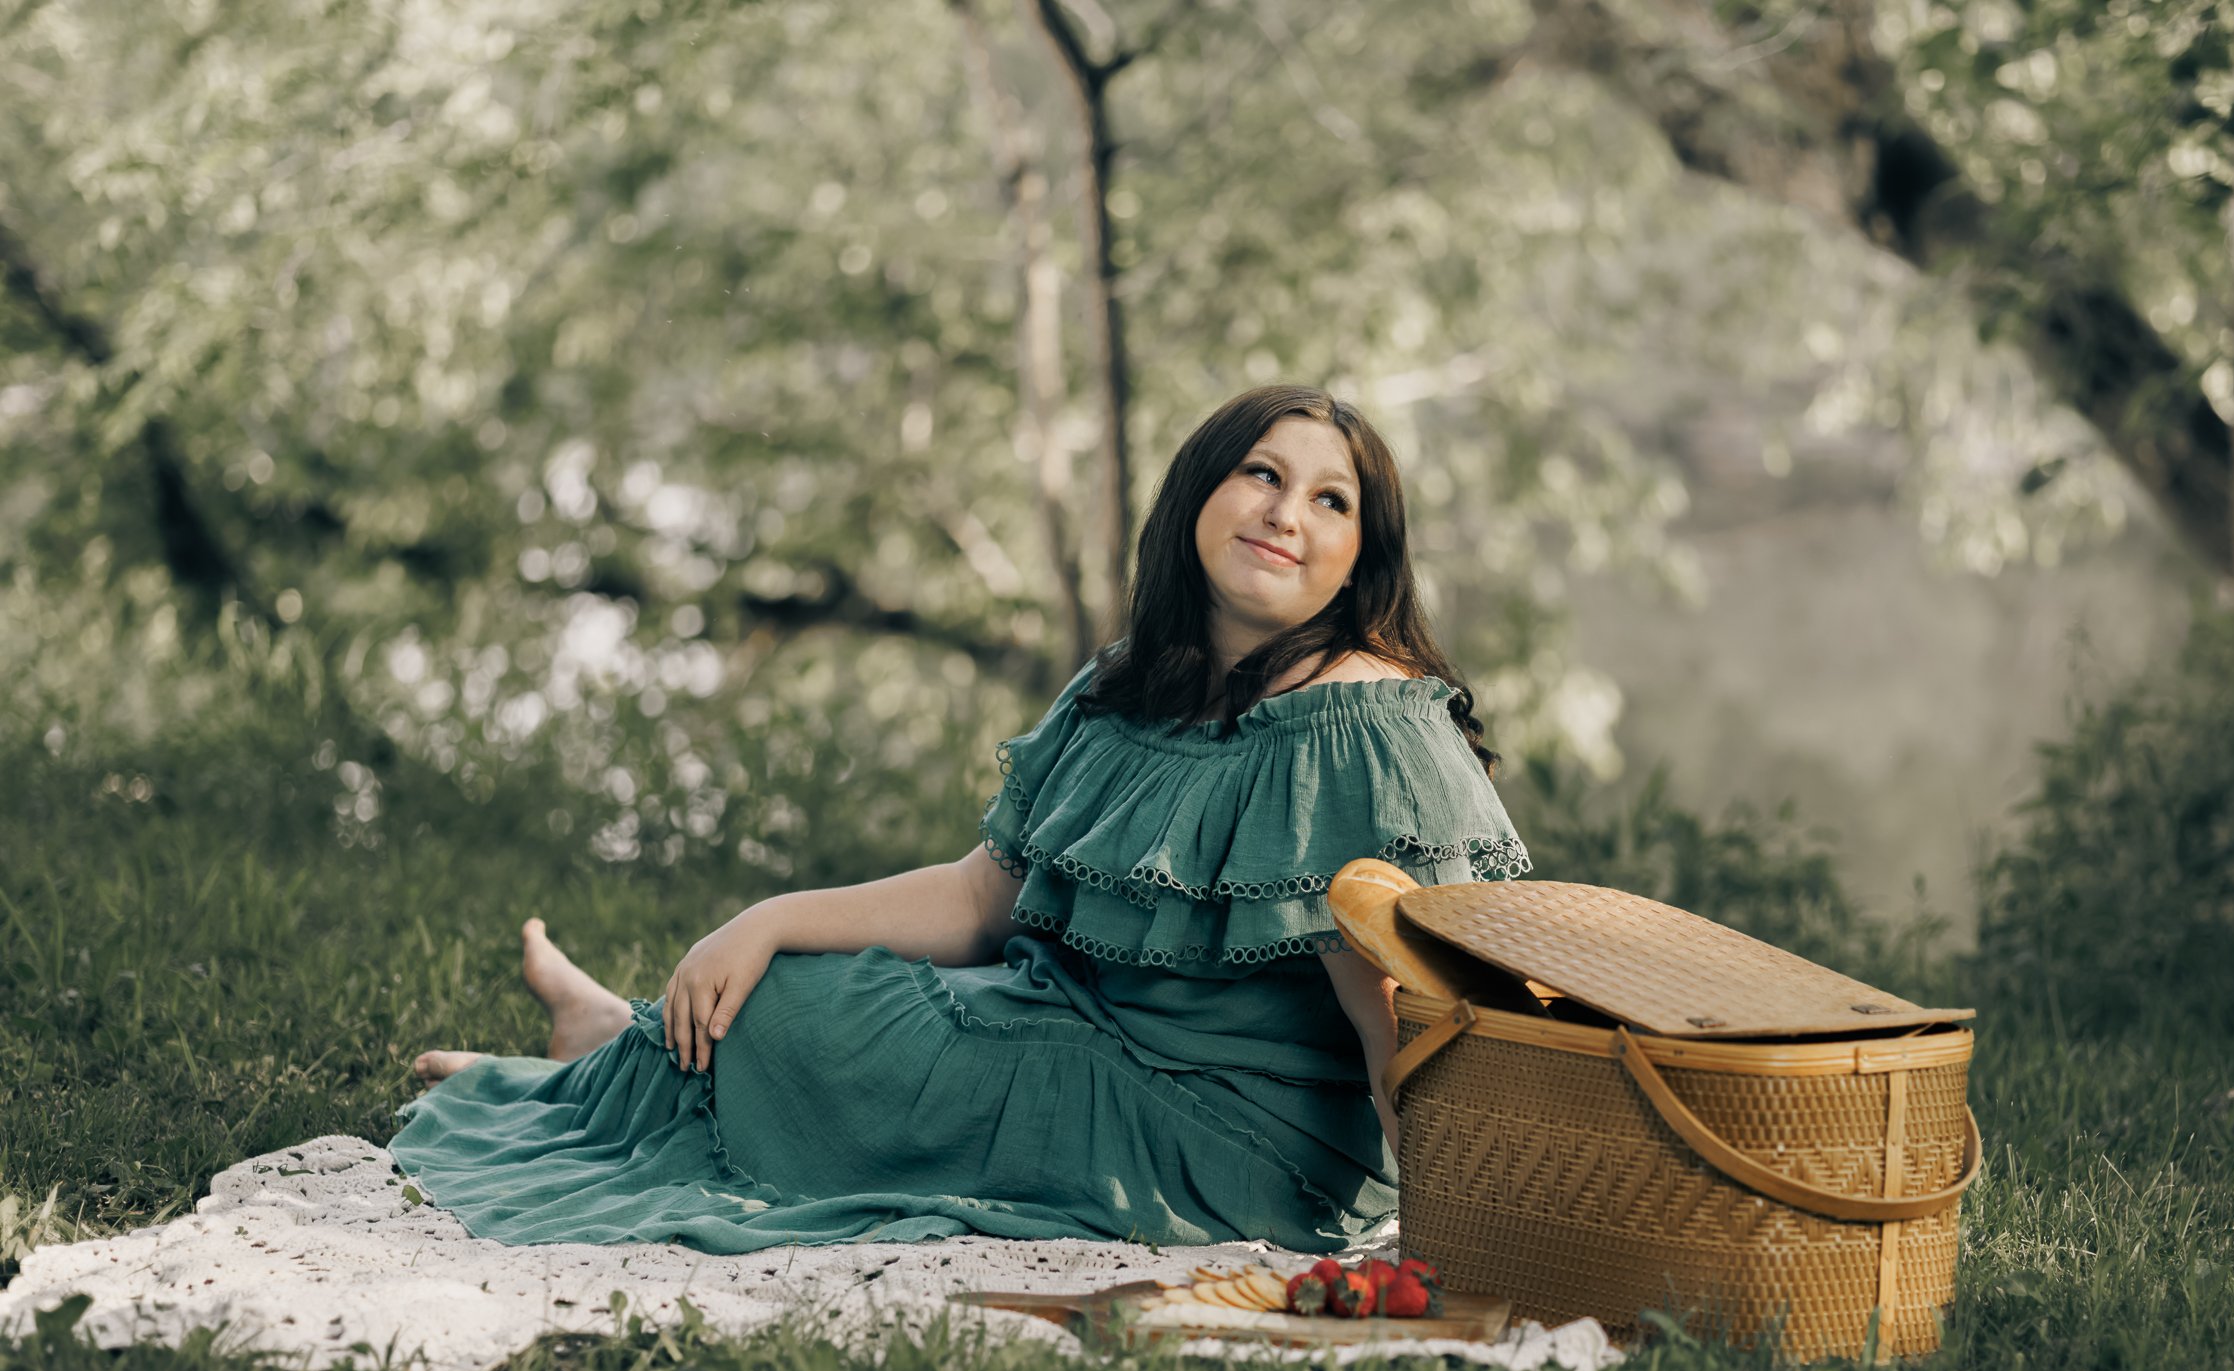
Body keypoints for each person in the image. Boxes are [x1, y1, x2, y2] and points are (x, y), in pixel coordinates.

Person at [392, 385, 1531, 1253]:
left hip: (1225, 1137)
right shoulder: (1127, 685)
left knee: (794, 1017)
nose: (1285, 514)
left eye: (1331, 500)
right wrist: (765, 917)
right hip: (1064, 1032)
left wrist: (1463, 1240)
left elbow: (1401, 1022)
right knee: (793, 978)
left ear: (1361, 556)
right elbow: (983, 896)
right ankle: (615, 1043)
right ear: (1199, 492)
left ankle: (606, 1050)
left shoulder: (1357, 727)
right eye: (1261, 474)